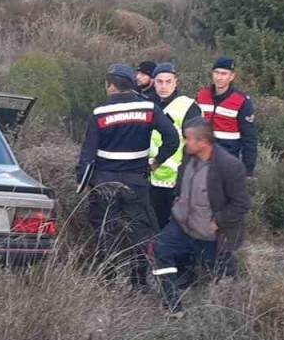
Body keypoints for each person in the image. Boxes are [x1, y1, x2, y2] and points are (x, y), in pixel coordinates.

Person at [76, 63, 179, 284]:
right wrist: (156, 162)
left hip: (104, 181)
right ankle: (138, 280)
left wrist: (83, 183)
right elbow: (173, 138)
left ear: (111, 86)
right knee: (141, 232)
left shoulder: (99, 113)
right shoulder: (150, 108)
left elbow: (87, 154)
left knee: (106, 231)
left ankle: (109, 279)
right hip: (137, 181)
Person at [151, 118, 252, 312]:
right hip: (181, 225)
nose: (184, 142)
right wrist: (178, 204)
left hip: (210, 233)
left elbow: (242, 204)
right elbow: (182, 183)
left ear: (203, 141)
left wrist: (218, 222)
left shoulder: (229, 166)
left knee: (224, 275)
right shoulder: (188, 155)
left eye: (188, 138)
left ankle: (235, 308)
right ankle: (172, 306)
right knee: (161, 251)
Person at [146, 63, 201, 228]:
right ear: (153, 82)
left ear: (176, 82)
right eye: (159, 81)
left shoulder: (188, 107)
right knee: (154, 225)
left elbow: (197, 145)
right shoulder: (147, 104)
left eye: (168, 82)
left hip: (178, 180)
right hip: (151, 178)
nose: (163, 86)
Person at [195, 56, 258, 177]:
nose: (219, 77)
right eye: (216, 73)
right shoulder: (202, 95)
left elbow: (249, 139)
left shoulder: (241, 101)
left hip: (227, 161)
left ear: (232, 76)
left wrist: (247, 170)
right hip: (201, 159)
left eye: (224, 74)